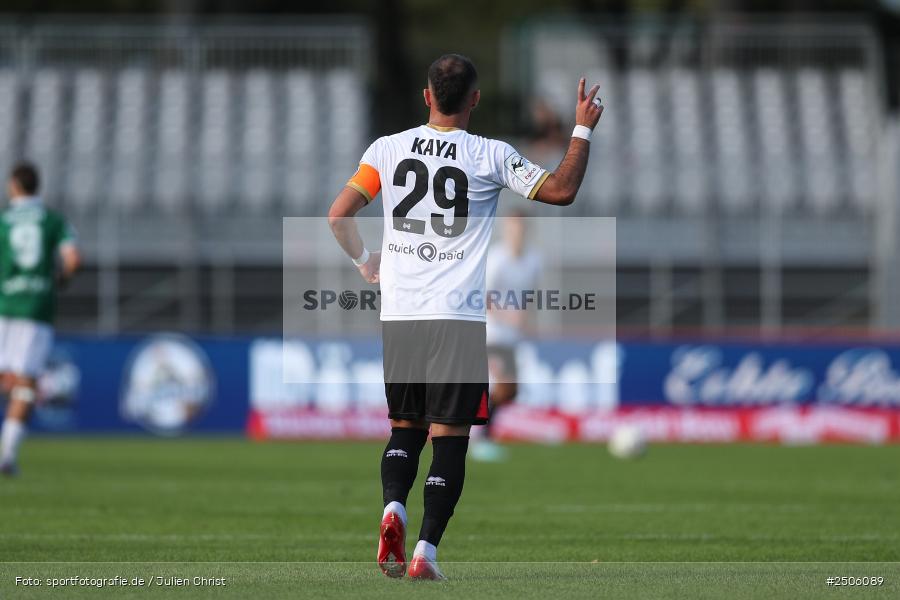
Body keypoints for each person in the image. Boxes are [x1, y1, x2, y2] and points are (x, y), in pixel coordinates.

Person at [328, 53, 602, 580]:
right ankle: (425, 555)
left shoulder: (386, 150)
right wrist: (582, 130)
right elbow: (562, 190)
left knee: (404, 428)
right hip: (455, 317)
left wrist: (366, 262)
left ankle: (392, 508)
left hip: (401, 313)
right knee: (450, 439)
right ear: (474, 100)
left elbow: (338, 215)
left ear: (426, 97)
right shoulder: (488, 155)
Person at [0, 162, 80, 476]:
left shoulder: (4, 219)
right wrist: (58, 282)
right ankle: (6, 454)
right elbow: (73, 259)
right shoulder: (52, 220)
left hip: (3, 303)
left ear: (14, 186)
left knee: (10, 379)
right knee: (25, 382)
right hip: (35, 308)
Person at [472, 210, 541, 462]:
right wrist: (509, 315)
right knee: (502, 383)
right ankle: (480, 437)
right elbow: (483, 296)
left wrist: (525, 317)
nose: (517, 232)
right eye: (513, 227)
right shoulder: (497, 258)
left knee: (510, 391)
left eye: (521, 227)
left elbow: (529, 294)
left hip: (511, 336)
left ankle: (476, 429)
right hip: (490, 332)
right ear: (506, 229)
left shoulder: (534, 260)